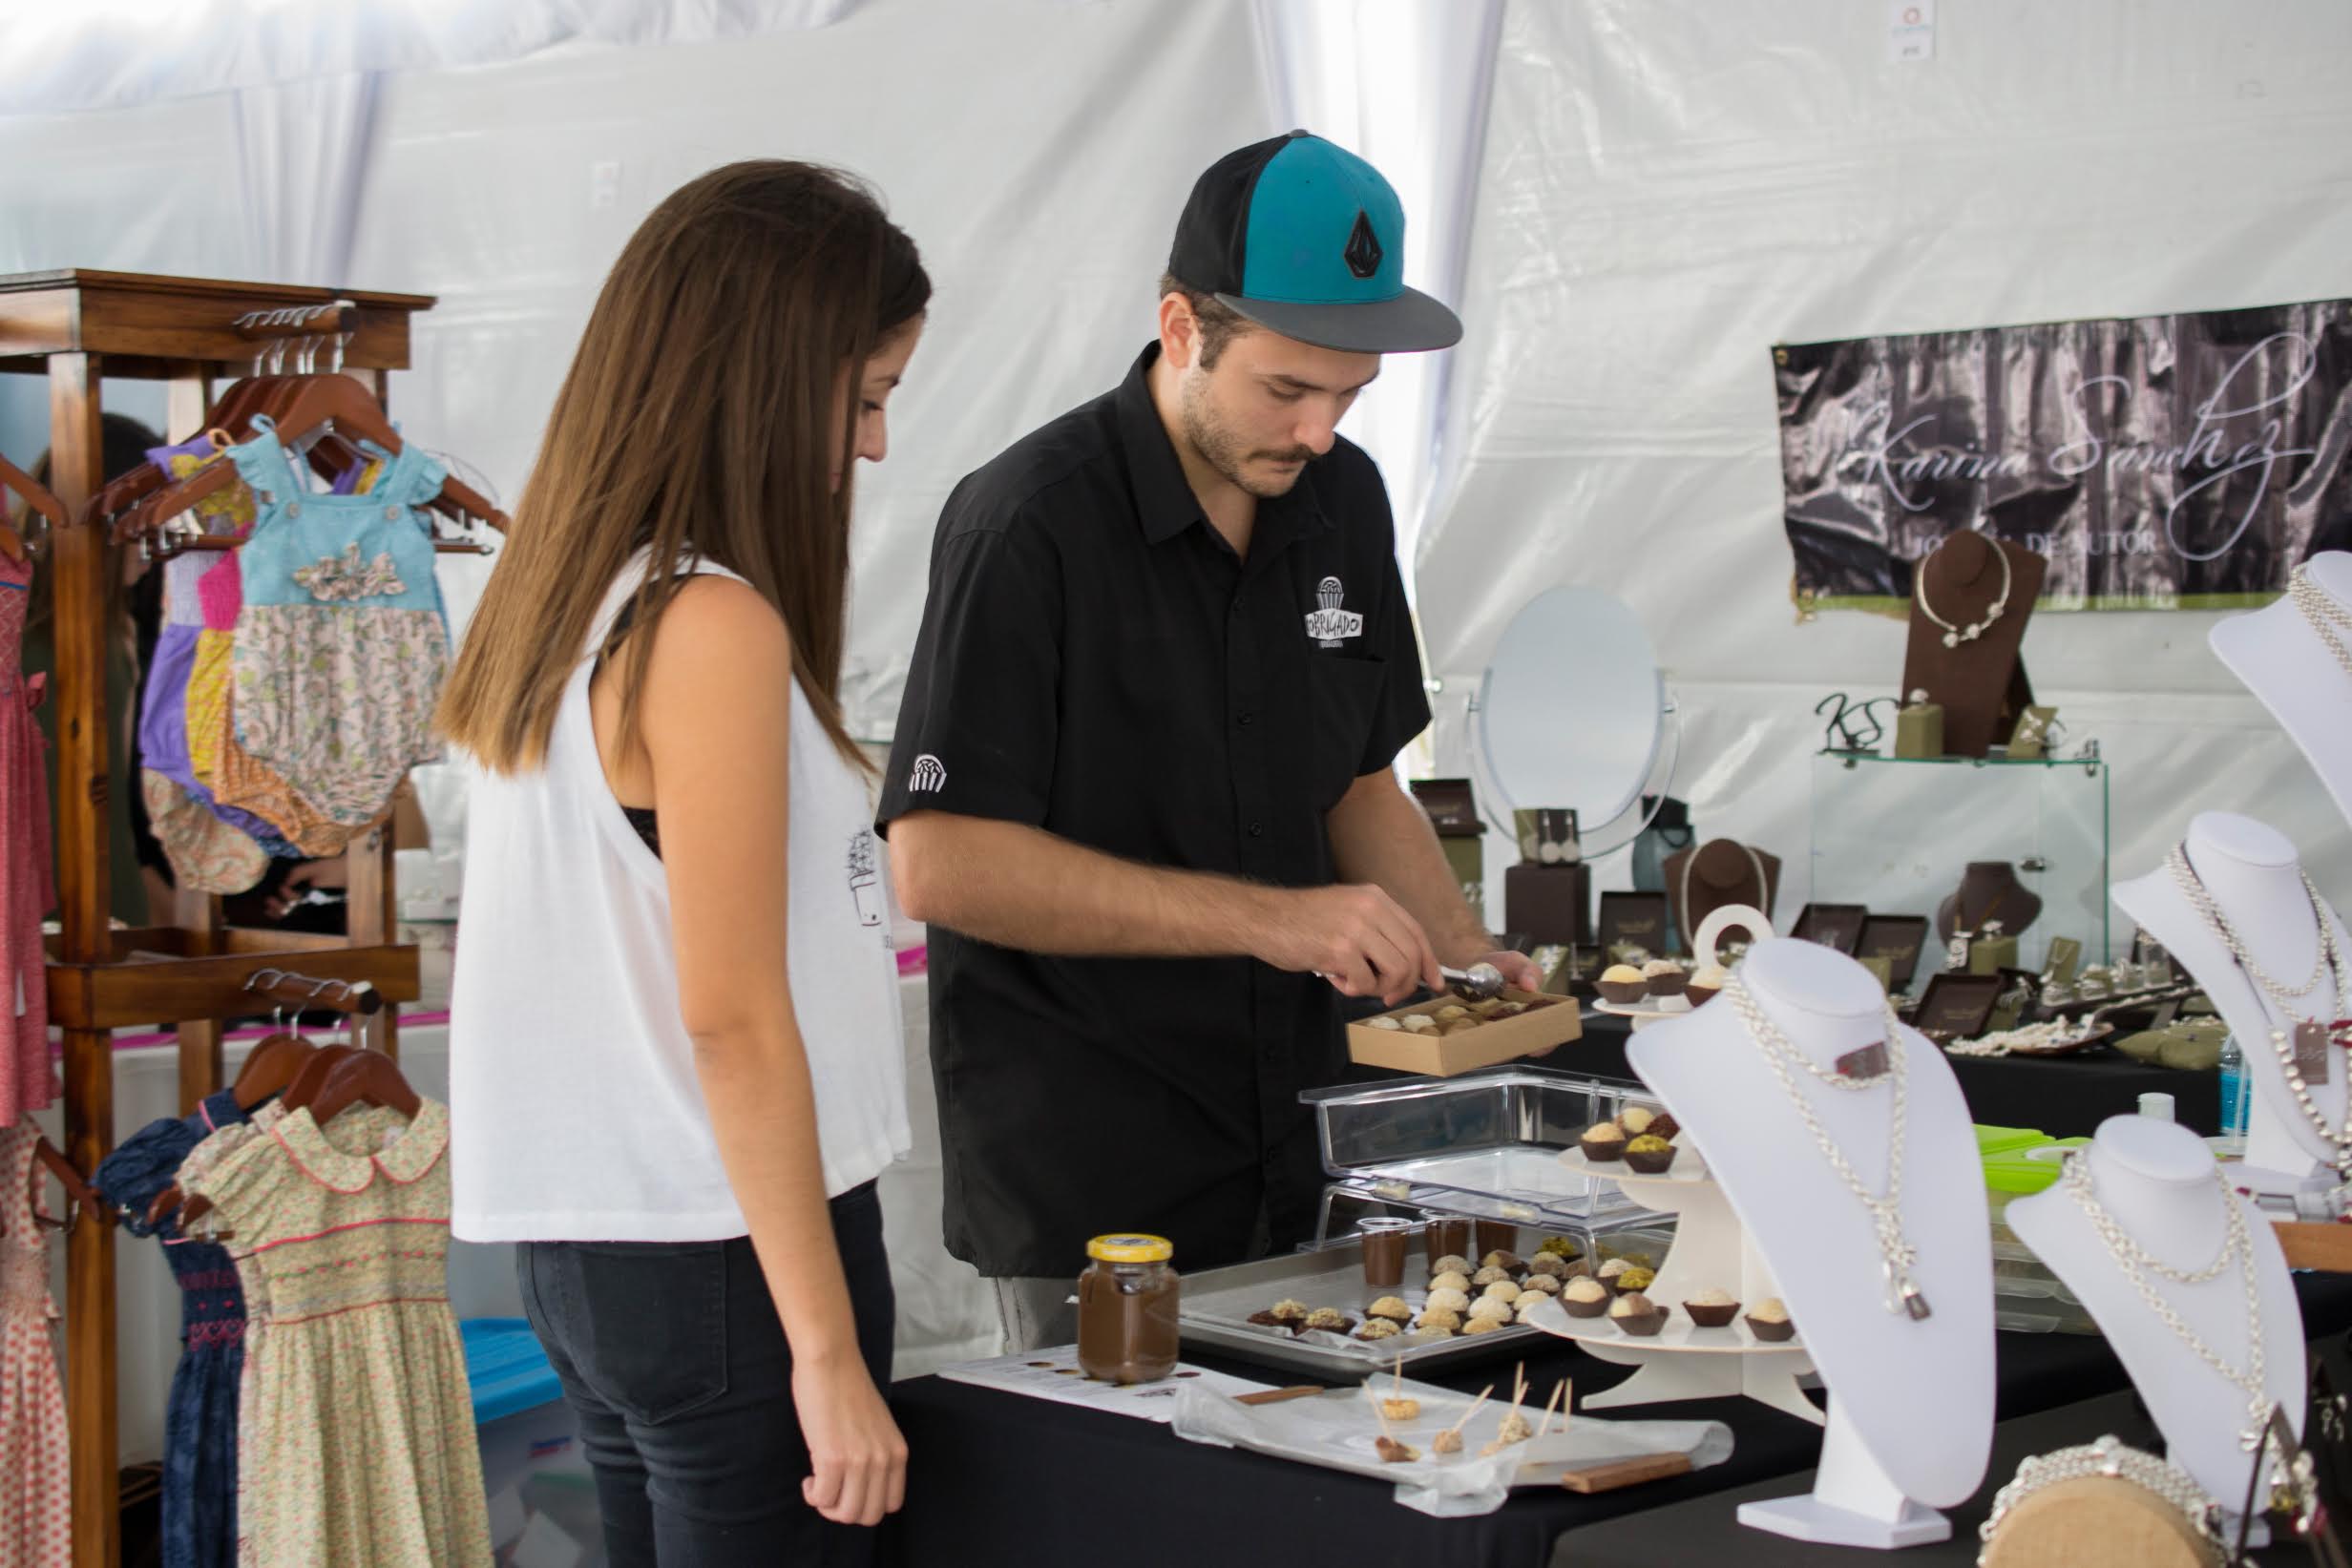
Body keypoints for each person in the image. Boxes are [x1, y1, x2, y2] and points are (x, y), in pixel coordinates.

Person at [881, 131, 1542, 1350]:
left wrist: (1461, 954)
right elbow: (943, 863)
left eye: (1349, 394)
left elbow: (1357, 779)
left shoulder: (1342, 495)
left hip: (1309, 1139)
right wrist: (1275, 917)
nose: (1318, 431)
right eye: (1285, 389)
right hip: (1097, 1163)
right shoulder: (1027, 523)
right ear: (1181, 326)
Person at [441, 160, 925, 1562]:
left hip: (596, 1255)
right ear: (770, 378)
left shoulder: (559, 594)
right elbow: (730, 1010)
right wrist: (826, 1347)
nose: (877, 446)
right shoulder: (707, 622)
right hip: (727, 1250)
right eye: (868, 396)